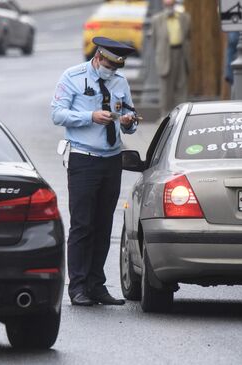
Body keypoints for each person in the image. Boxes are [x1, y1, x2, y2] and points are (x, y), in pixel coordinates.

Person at [51, 37, 139, 306]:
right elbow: (57, 114)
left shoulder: (120, 82)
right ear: (99, 57)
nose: (112, 71)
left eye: (117, 67)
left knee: (103, 225)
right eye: (109, 65)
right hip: (83, 158)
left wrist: (128, 121)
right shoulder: (73, 76)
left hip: (111, 159)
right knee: (82, 225)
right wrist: (90, 117)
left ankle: (96, 284)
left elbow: (129, 122)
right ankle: (77, 286)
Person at [151, 0, 191, 117]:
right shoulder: (157, 20)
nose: (169, 7)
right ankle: (165, 115)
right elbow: (154, 41)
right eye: (167, 5)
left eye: (171, 4)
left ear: (174, 5)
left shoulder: (184, 18)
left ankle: (181, 115)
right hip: (165, 56)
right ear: (163, 5)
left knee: (181, 86)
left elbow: (188, 37)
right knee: (165, 89)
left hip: (181, 54)